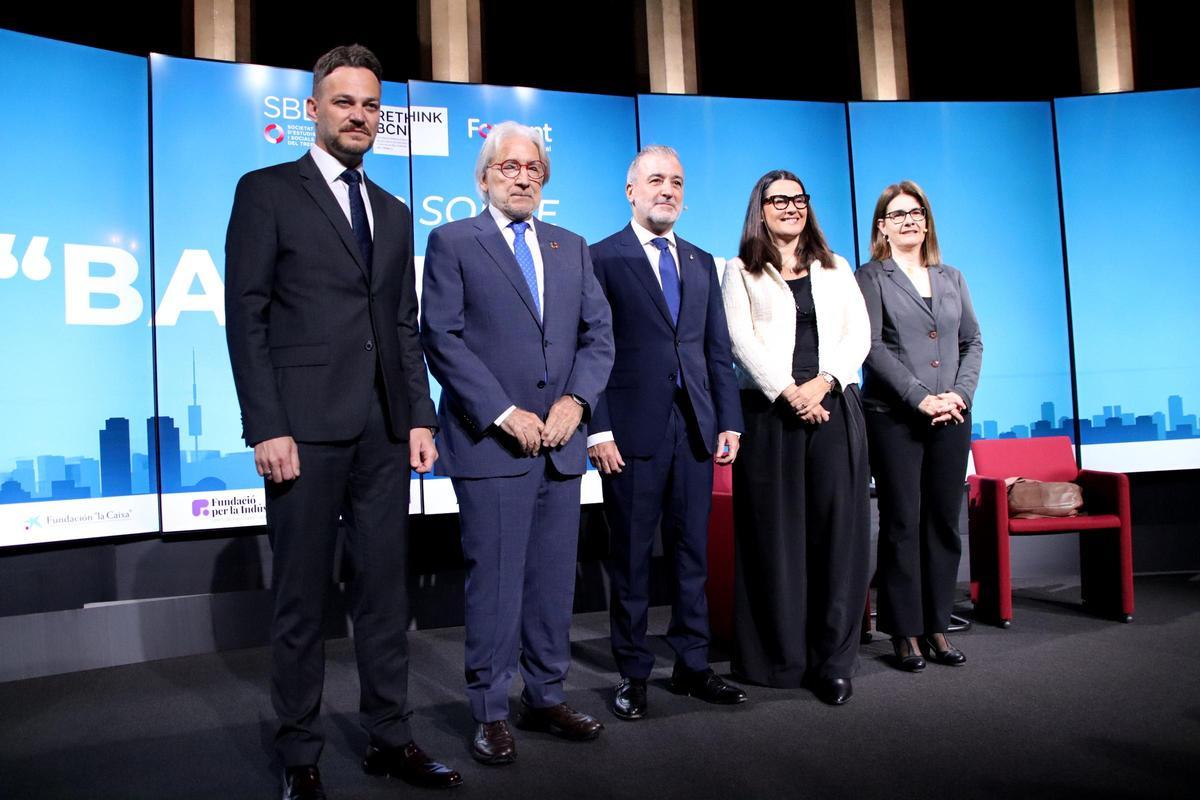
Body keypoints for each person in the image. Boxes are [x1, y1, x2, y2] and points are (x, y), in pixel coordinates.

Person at [225, 45, 461, 799]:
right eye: (344, 103)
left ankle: (391, 737)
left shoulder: (393, 212)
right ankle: (301, 753)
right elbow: (246, 316)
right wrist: (266, 425)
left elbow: (401, 324)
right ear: (313, 110)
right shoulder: (265, 192)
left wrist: (420, 417)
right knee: (302, 598)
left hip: (385, 432)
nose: (358, 116)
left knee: (385, 593)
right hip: (300, 430)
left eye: (369, 106)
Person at [420, 122, 615, 765]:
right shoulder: (451, 241)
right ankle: (490, 709)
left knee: (554, 584)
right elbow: (442, 339)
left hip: (562, 443)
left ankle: (547, 695)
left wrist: (575, 402)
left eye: (533, 167)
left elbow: (597, 338)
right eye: (509, 167)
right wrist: (504, 412)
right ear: (484, 178)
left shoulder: (571, 246)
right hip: (491, 445)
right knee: (497, 584)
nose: (523, 176)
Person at [588, 145, 747, 721]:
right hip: (629, 434)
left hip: (697, 431)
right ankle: (633, 674)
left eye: (676, 182)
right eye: (655, 180)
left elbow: (716, 351)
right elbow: (593, 353)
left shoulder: (704, 261)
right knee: (630, 559)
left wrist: (728, 419)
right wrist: (595, 430)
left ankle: (692, 665)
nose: (667, 191)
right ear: (631, 190)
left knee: (692, 556)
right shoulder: (600, 258)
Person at [721, 169, 872, 706]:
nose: (790, 207)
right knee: (775, 541)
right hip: (769, 416)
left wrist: (824, 383)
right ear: (759, 209)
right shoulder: (740, 270)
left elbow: (859, 334)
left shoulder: (836, 267)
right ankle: (779, 659)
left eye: (798, 198)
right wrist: (788, 391)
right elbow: (739, 339)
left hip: (834, 408)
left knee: (838, 539)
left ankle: (834, 662)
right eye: (777, 199)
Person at [855, 180, 982, 672]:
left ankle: (937, 626)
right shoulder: (872, 277)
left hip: (952, 416)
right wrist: (921, 398)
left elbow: (973, 341)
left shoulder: (952, 277)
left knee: (944, 524)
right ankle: (903, 632)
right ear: (882, 227)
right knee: (903, 522)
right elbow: (871, 347)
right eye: (898, 214)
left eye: (917, 213)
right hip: (895, 418)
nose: (909, 220)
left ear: (926, 222)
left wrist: (959, 396)